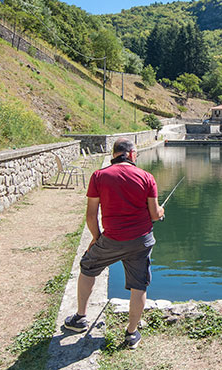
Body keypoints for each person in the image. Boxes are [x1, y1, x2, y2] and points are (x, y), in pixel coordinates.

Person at [63, 138, 164, 349]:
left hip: (112, 239)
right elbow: (154, 215)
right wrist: (161, 211)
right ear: (132, 154)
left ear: (114, 154)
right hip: (141, 241)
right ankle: (131, 333)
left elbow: (91, 216)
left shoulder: (99, 176)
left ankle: (80, 318)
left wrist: (96, 238)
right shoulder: (147, 177)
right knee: (139, 285)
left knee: (88, 267)